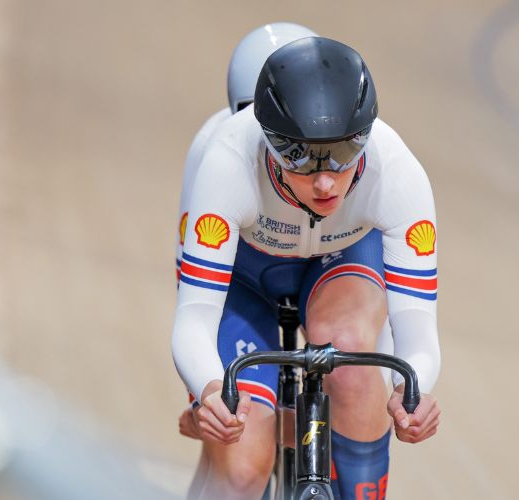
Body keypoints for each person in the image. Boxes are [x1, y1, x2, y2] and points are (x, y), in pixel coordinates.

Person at [171, 36, 442, 499]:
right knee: (238, 462)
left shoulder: (397, 172)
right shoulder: (225, 162)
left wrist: (409, 390)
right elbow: (195, 316)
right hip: (246, 276)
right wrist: (211, 389)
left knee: (353, 355)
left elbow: (416, 327)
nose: (324, 180)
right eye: (297, 154)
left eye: (343, 153)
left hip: (339, 262)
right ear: (265, 135)